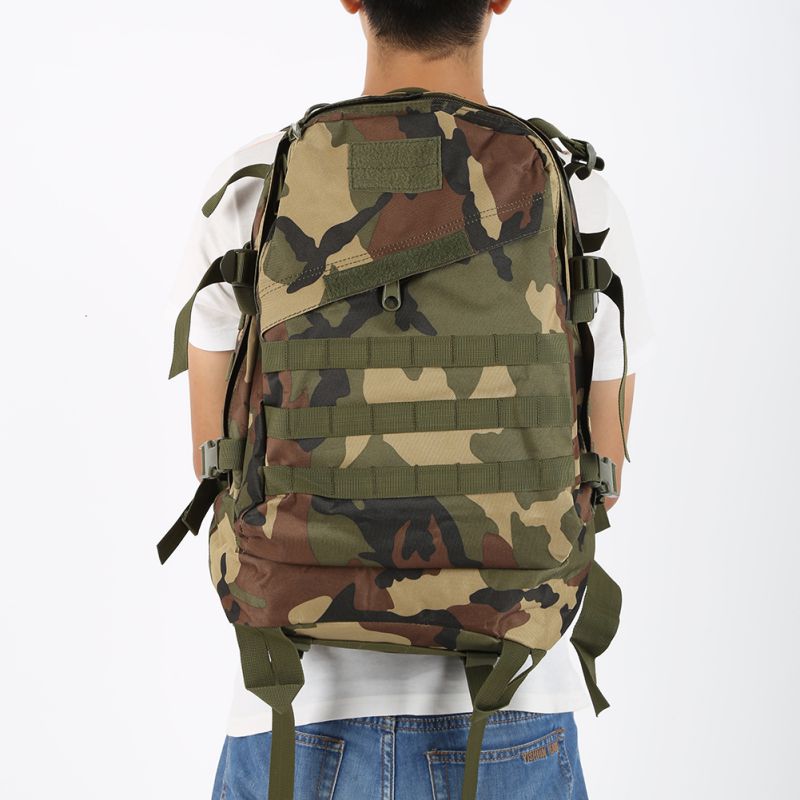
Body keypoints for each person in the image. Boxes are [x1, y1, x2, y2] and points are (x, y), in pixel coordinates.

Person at [167, 1, 657, 797]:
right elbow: (602, 471)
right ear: (499, 0)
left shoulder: (250, 190)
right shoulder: (580, 194)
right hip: (513, 705)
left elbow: (215, 461)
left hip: (290, 708)